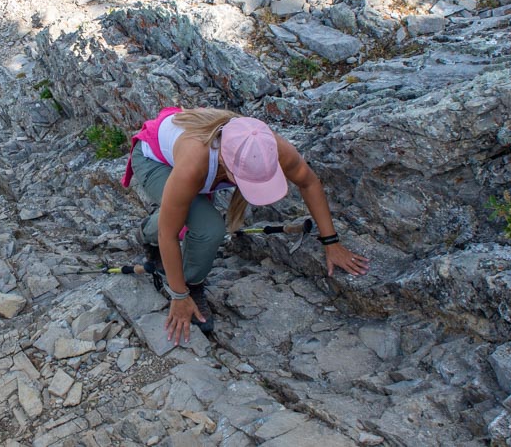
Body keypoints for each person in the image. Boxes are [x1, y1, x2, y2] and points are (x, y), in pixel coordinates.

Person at [122, 106, 370, 345]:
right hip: (154, 160)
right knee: (208, 228)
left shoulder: (264, 144)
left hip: (194, 161)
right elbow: (169, 233)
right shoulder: (194, 162)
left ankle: (164, 237)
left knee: (186, 214)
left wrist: (331, 243)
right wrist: (179, 295)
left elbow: (309, 183)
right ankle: (188, 279)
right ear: (225, 164)